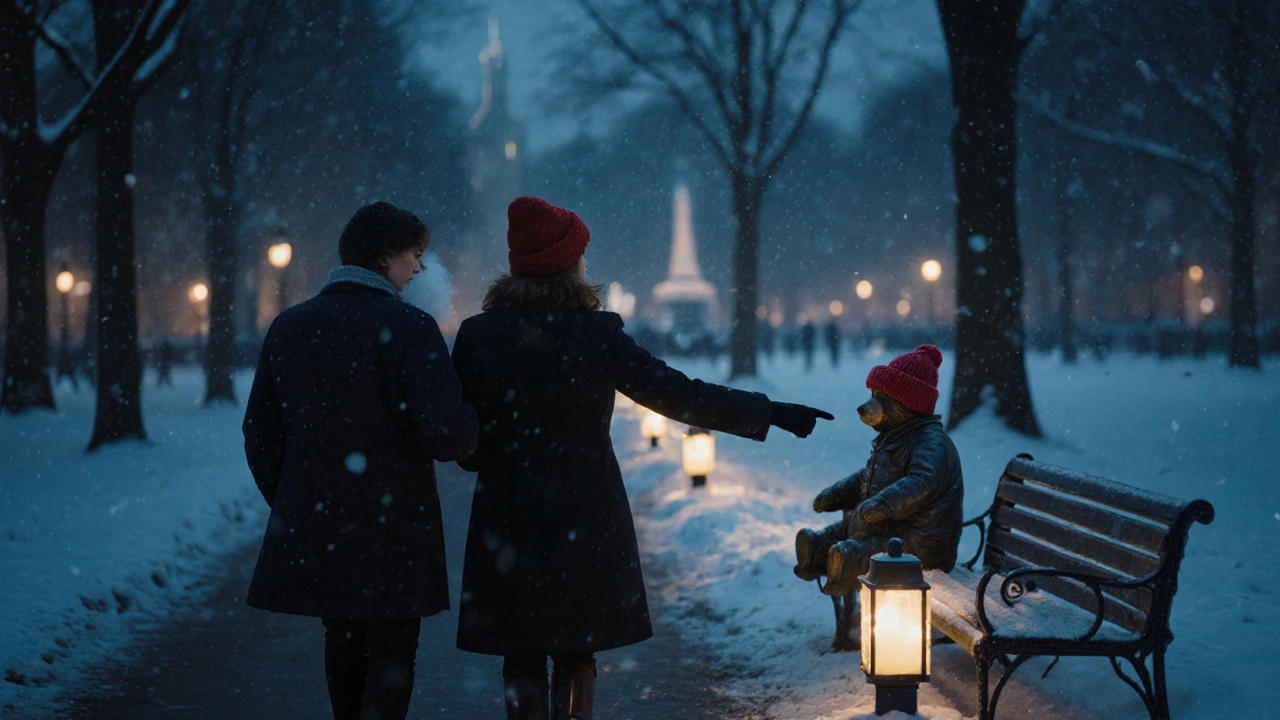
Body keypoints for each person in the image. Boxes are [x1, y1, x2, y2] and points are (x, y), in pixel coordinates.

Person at [450, 196, 834, 720]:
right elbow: (679, 394)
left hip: (508, 517)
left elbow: (465, 438)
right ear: (568, 264)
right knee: (576, 648)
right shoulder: (596, 333)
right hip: (584, 514)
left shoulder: (478, 336)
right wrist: (769, 413)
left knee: (520, 653)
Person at [242, 201, 479, 720]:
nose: (419, 267)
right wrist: (471, 425)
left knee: (342, 638)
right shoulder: (411, 328)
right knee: (393, 648)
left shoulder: (290, 326)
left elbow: (259, 434)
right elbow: (446, 434)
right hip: (395, 526)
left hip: (323, 525)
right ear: (385, 256)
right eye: (415, 254)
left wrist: (298, 498)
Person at [793, 344, 963, 645]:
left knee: (865, 549)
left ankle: (842, 562)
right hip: (889, 529)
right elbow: (866, 478)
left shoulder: (932, 443)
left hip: (921, 544)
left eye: (881, 399)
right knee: (844, 530)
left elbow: (923, 481)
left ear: (907, 405)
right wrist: (837, 494)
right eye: (873, 396)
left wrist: (885, 503)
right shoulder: (894, 438)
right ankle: (818, 551)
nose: (870, 406)